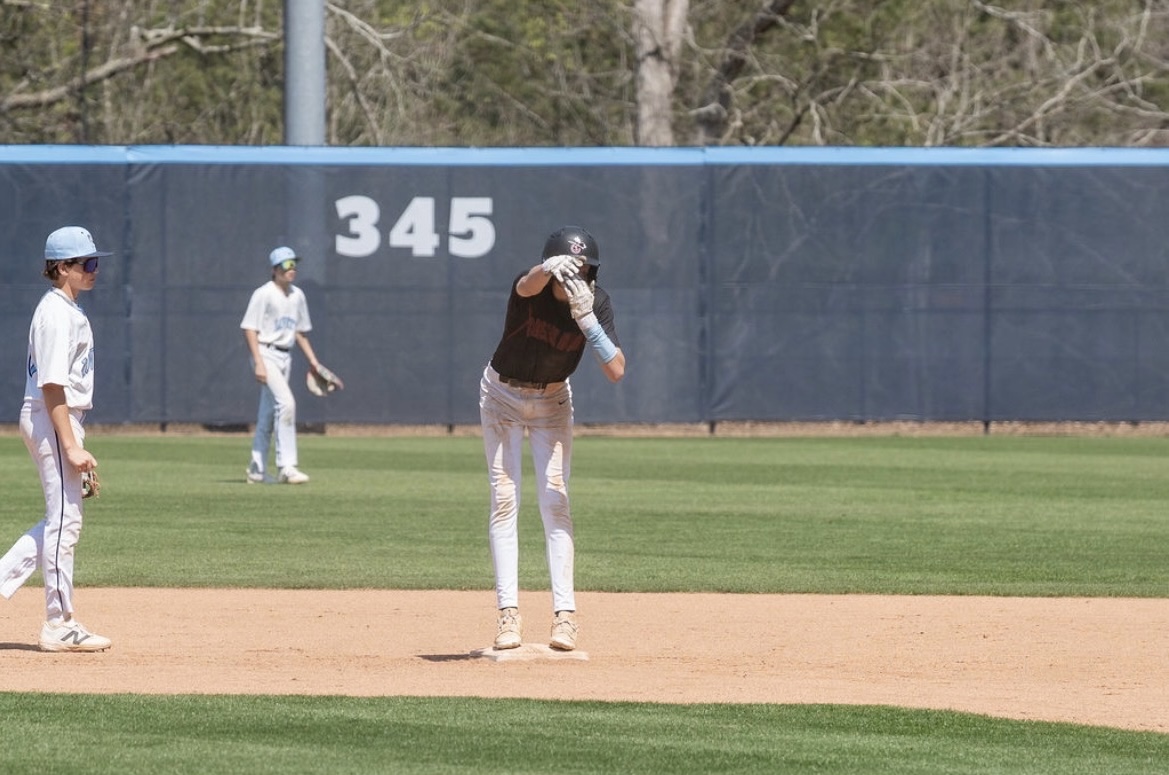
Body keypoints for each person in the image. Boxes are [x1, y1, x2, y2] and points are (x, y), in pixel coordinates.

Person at [479, 225, 626, 652]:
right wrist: (547, 268)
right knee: (504, 498)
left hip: (553, 400)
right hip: (501, 395)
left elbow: (616, 370)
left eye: (585, 269)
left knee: (555, 498)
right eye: (572, 267)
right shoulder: (533, 288)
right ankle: (508, 614)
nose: (579, 275)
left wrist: (589, 324)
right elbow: (526, 285)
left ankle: (566, 617)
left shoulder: (596, 303)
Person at [0, 226, 113, 652]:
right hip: (53, 416)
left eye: (95, 262)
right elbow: (51, 384)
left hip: (57, 417)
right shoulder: (55, 313)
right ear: (62, 267)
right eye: (87, 263)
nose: (94, 269)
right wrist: (70, 444)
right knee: (66, 522)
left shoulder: (68, 309)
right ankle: (59, 622)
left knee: (61, 519)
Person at [240, 246, 340, 485]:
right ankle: (287, 466)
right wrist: (259, 363)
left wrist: (314, 363)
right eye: (286, 265)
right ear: (275, 270)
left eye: (294, 264)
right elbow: (249, 329)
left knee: (267, 414)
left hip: (286, 356)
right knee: (287, 404)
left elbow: (300, 333)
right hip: (265, 352)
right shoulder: (263, 294)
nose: (291, 269)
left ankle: (257, 469)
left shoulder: (297, 296)